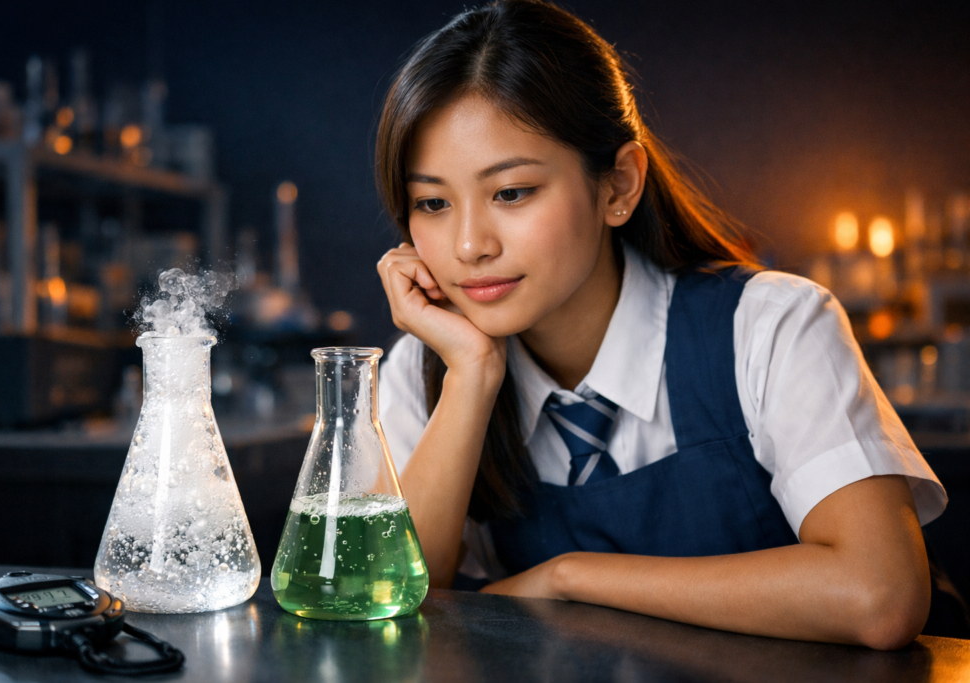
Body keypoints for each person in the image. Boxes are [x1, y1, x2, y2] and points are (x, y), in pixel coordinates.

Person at [373, 0, 952, 649]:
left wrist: (572, 578)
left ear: (619, 183)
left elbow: (880, 595)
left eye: (511, 192)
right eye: (432, 203)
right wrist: (473, 377)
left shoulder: (768, 327)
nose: (470, 244)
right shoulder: (428, 370)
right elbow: (384, 610)